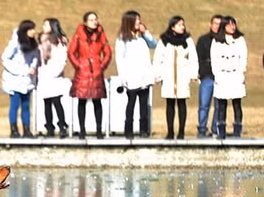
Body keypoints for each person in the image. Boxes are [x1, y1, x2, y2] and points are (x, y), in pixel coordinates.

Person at [67, 11, 112, 139]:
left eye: (96, 19)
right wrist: (79, 65)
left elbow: (108, 52)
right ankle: (82, 130)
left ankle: (99, 130)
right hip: (83, 72)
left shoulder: (101, 34)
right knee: (81, 101)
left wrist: (101, 66)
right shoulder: (79, 34)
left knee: (97, 101)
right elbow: (71, 52)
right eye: (91, 20)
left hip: (97, 72)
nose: (95, 22)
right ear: (85, 22)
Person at [153, 16, 197, 140]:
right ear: (172, 27)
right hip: (168, 75)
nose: (182, 27)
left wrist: (193, 73)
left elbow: (193, 57)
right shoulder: (164, 40)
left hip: (182, 75)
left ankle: (181, 132)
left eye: (183, 25)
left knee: (182, 102)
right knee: (170, 103)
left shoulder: (187, 40)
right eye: (179, 25)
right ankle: (170, 132)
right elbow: (157, 58)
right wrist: (157, 75)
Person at [114, 10, 157, 139]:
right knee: (131, 104)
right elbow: (119, 59)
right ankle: (129, 131)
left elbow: (154, 44)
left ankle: (144, 131)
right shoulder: (123, 39)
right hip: (131, 77)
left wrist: (146, 32)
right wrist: (122, 77)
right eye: (137, 19)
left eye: (139, 19)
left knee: (144, 105)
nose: (139, 22)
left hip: (144, 76)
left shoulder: (142, 37)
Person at [1, 20, 40, 138]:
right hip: (14, 80)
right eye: (31, 29)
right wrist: (21, 71)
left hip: (27, 80)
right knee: (14, 105)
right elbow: (5, 59)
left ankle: (26, 130)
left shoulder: (34, 44)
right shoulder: (15, 43)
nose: (34, 31)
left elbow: (35, 57)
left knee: (26, 105)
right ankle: (13, 129)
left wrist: (32, 67)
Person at [210, 16, 248, 139]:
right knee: (222, 104)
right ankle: (221, 131)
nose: (232, 27)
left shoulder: (240, 40)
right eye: (229, 25)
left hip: (236, 75)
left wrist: (241, 71)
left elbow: (243, 57)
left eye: (233, 24)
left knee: (237, 104)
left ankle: (237, 131)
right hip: (222, 76)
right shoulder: (216, 41)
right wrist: (217, 74)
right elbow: (214, 59)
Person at [37, 18, 71, 139]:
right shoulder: (41, 40)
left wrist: (55, 72)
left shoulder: (59, 41)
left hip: (55, 75)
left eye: (46, 24)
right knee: (47, 102)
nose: (43, 26)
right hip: (44, 74)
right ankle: (49, 128)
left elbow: (63, 59)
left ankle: (62, 126)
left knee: (56, 101)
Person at [194, 14, 222, 137]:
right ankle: (202, 128)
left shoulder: (224, 41)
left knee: (219, 105)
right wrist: (201, 72)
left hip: (221, 77)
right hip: (207, 76)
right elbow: (197, 58)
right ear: (211, 24)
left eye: (220, 24)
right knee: (204, 105)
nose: (217, 26)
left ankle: (215, 128)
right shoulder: (203, 40)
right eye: (215, 23)